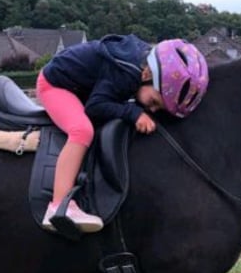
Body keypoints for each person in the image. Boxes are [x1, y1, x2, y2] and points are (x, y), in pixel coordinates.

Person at [36, 35, 209, 232]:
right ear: (146, 75)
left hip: (81, 86)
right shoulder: (125, 74)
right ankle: (58, 207)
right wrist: (133, 113)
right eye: (153, 102)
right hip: (55, 85)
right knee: (81, 130)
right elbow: (96, 106)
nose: (152, 110)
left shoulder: (146, 65)